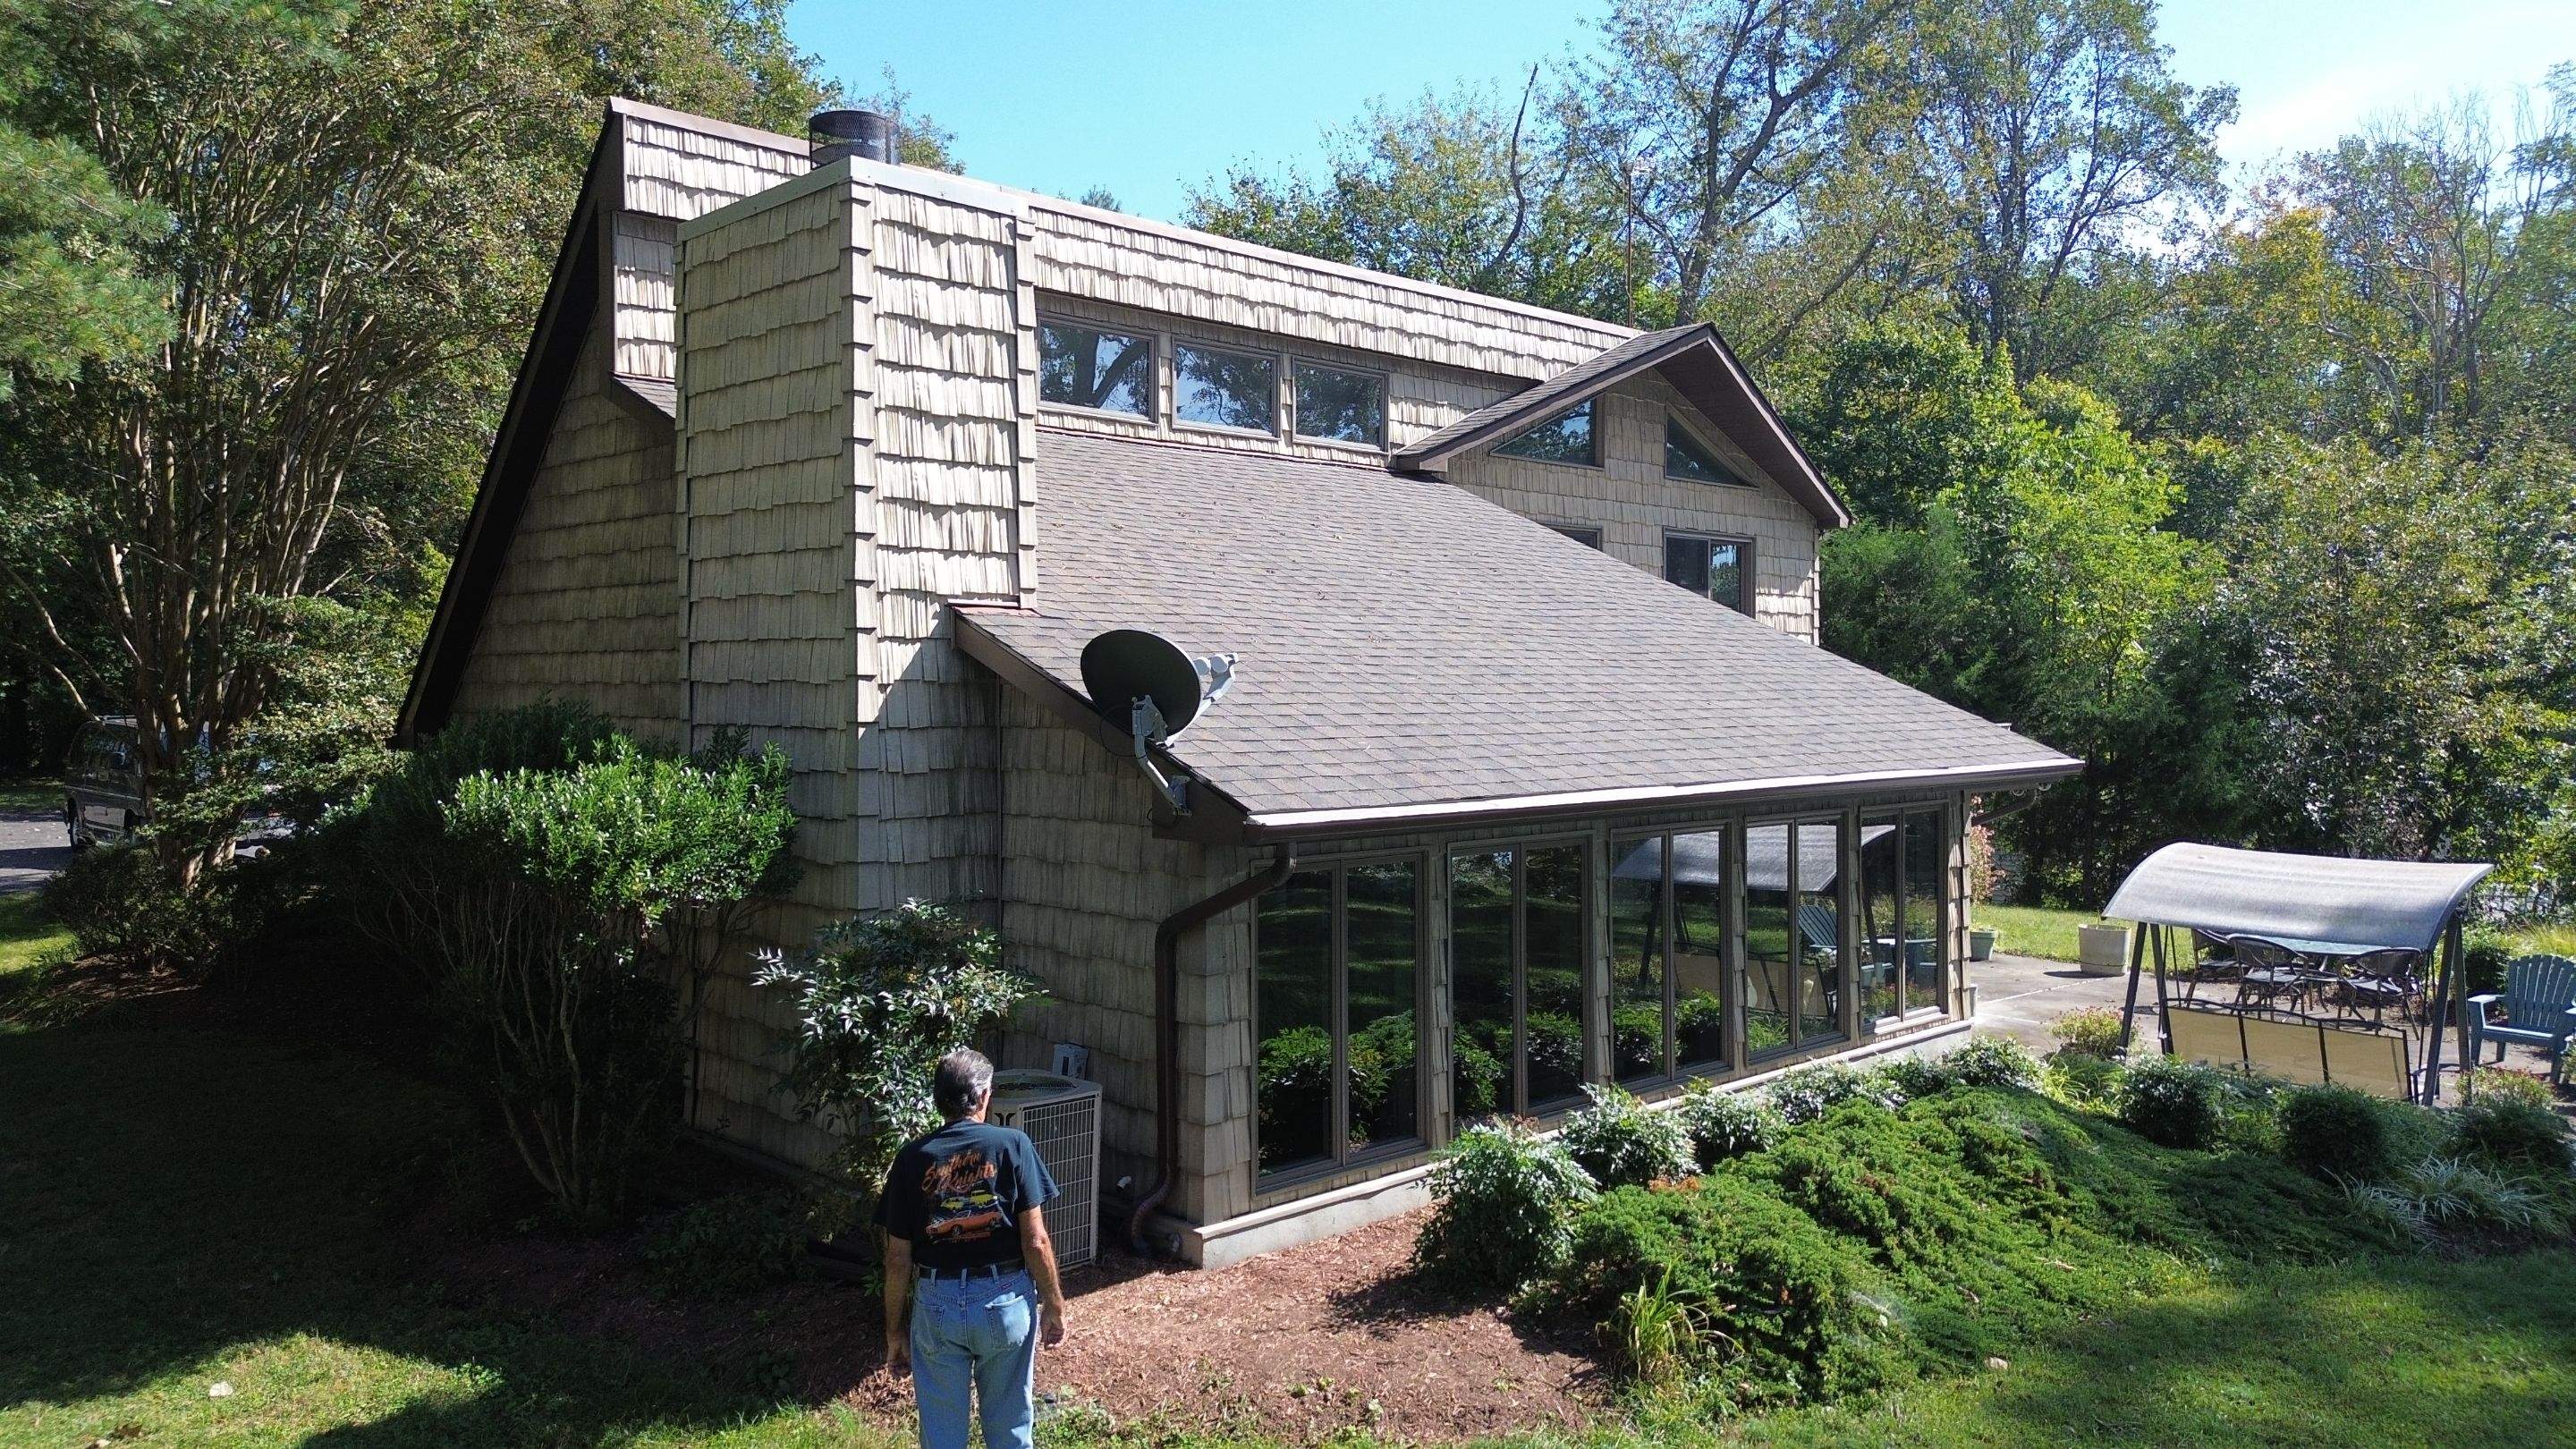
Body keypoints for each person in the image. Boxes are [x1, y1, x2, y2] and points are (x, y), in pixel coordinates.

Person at [877, 1048, 1069, 1449]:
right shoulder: (1012, 1145)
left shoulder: (912, 1158)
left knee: (942, 1436)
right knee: (1010, 1429)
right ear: (983, 1096)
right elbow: (1035, 1240)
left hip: (937, 1304)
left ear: (938, 1099)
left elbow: (897, 1259)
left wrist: (895, 1331)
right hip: (1005, 1300)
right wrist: (1054, 1304)